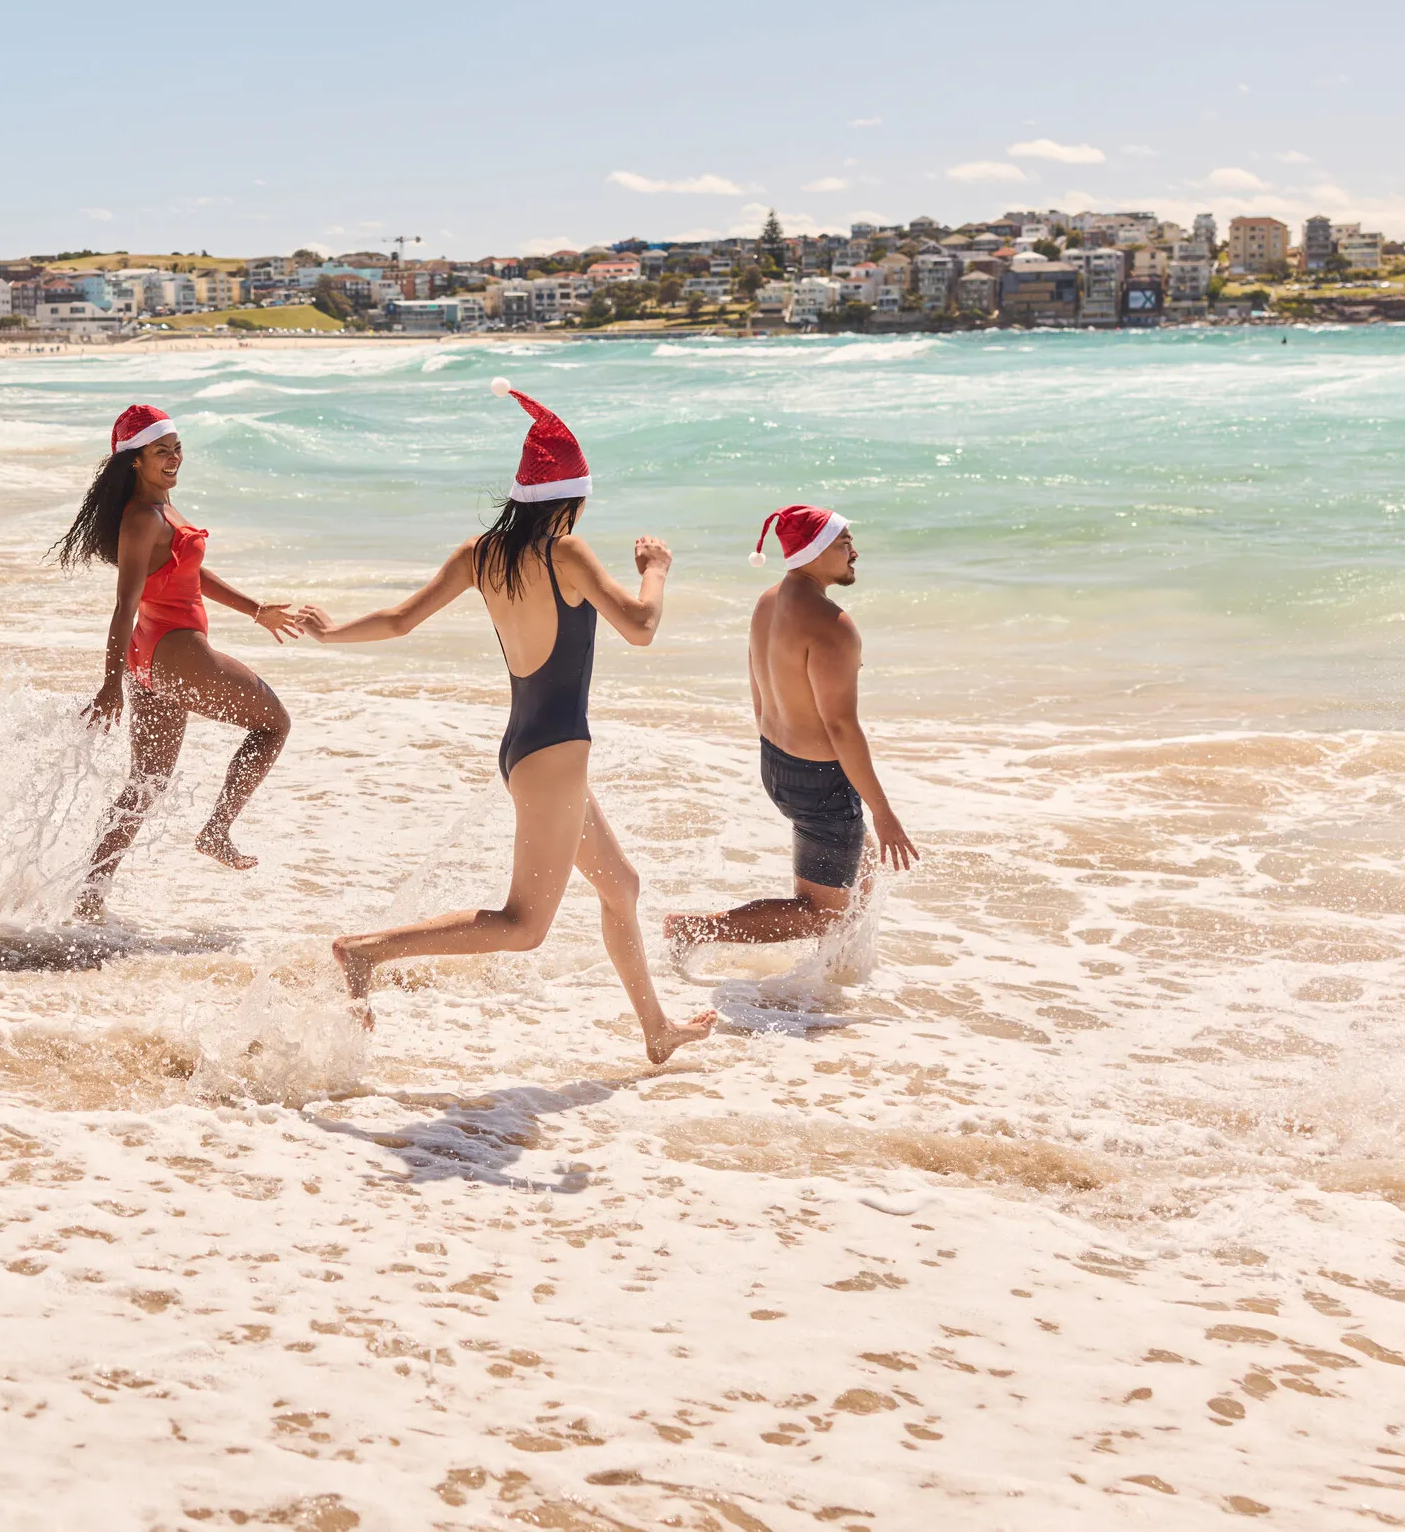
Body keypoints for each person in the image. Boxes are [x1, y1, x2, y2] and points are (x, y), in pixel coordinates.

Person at [314, 383, 714, 1065]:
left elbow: (400, 620)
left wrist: (330, 633)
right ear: (571, 499)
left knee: (621, 886)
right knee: (524, 925)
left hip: (527, 749)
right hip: (554, 756)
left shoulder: (482, 553)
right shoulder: (569, 553)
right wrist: (656, 570)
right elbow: (642, 626)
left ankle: (656, 1029)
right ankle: (365, 952)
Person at [60, 404, 322, 920]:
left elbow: (189, 573)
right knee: (275, 724)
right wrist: (108, 685)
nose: (174, 458)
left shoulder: (160, 509)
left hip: (153, 657)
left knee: (146, 783)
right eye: (161, 451)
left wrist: (255, 610)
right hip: (175, 650)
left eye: (177, 447)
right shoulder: (142, 517)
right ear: (135, 460)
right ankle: (217, 829)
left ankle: (88, 897)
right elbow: (124, 605)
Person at [665, 506, 918, 956]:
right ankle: (696, 929)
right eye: (844, 544)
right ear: (816, 552)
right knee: (822, 912)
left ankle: (830, 979)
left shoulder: (767, 602)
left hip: (777, 764)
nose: (854, 553)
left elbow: (758, 691)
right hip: (821, 784)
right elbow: (841, 727)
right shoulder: (832, 626)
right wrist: (883, 810)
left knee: (858, 877)